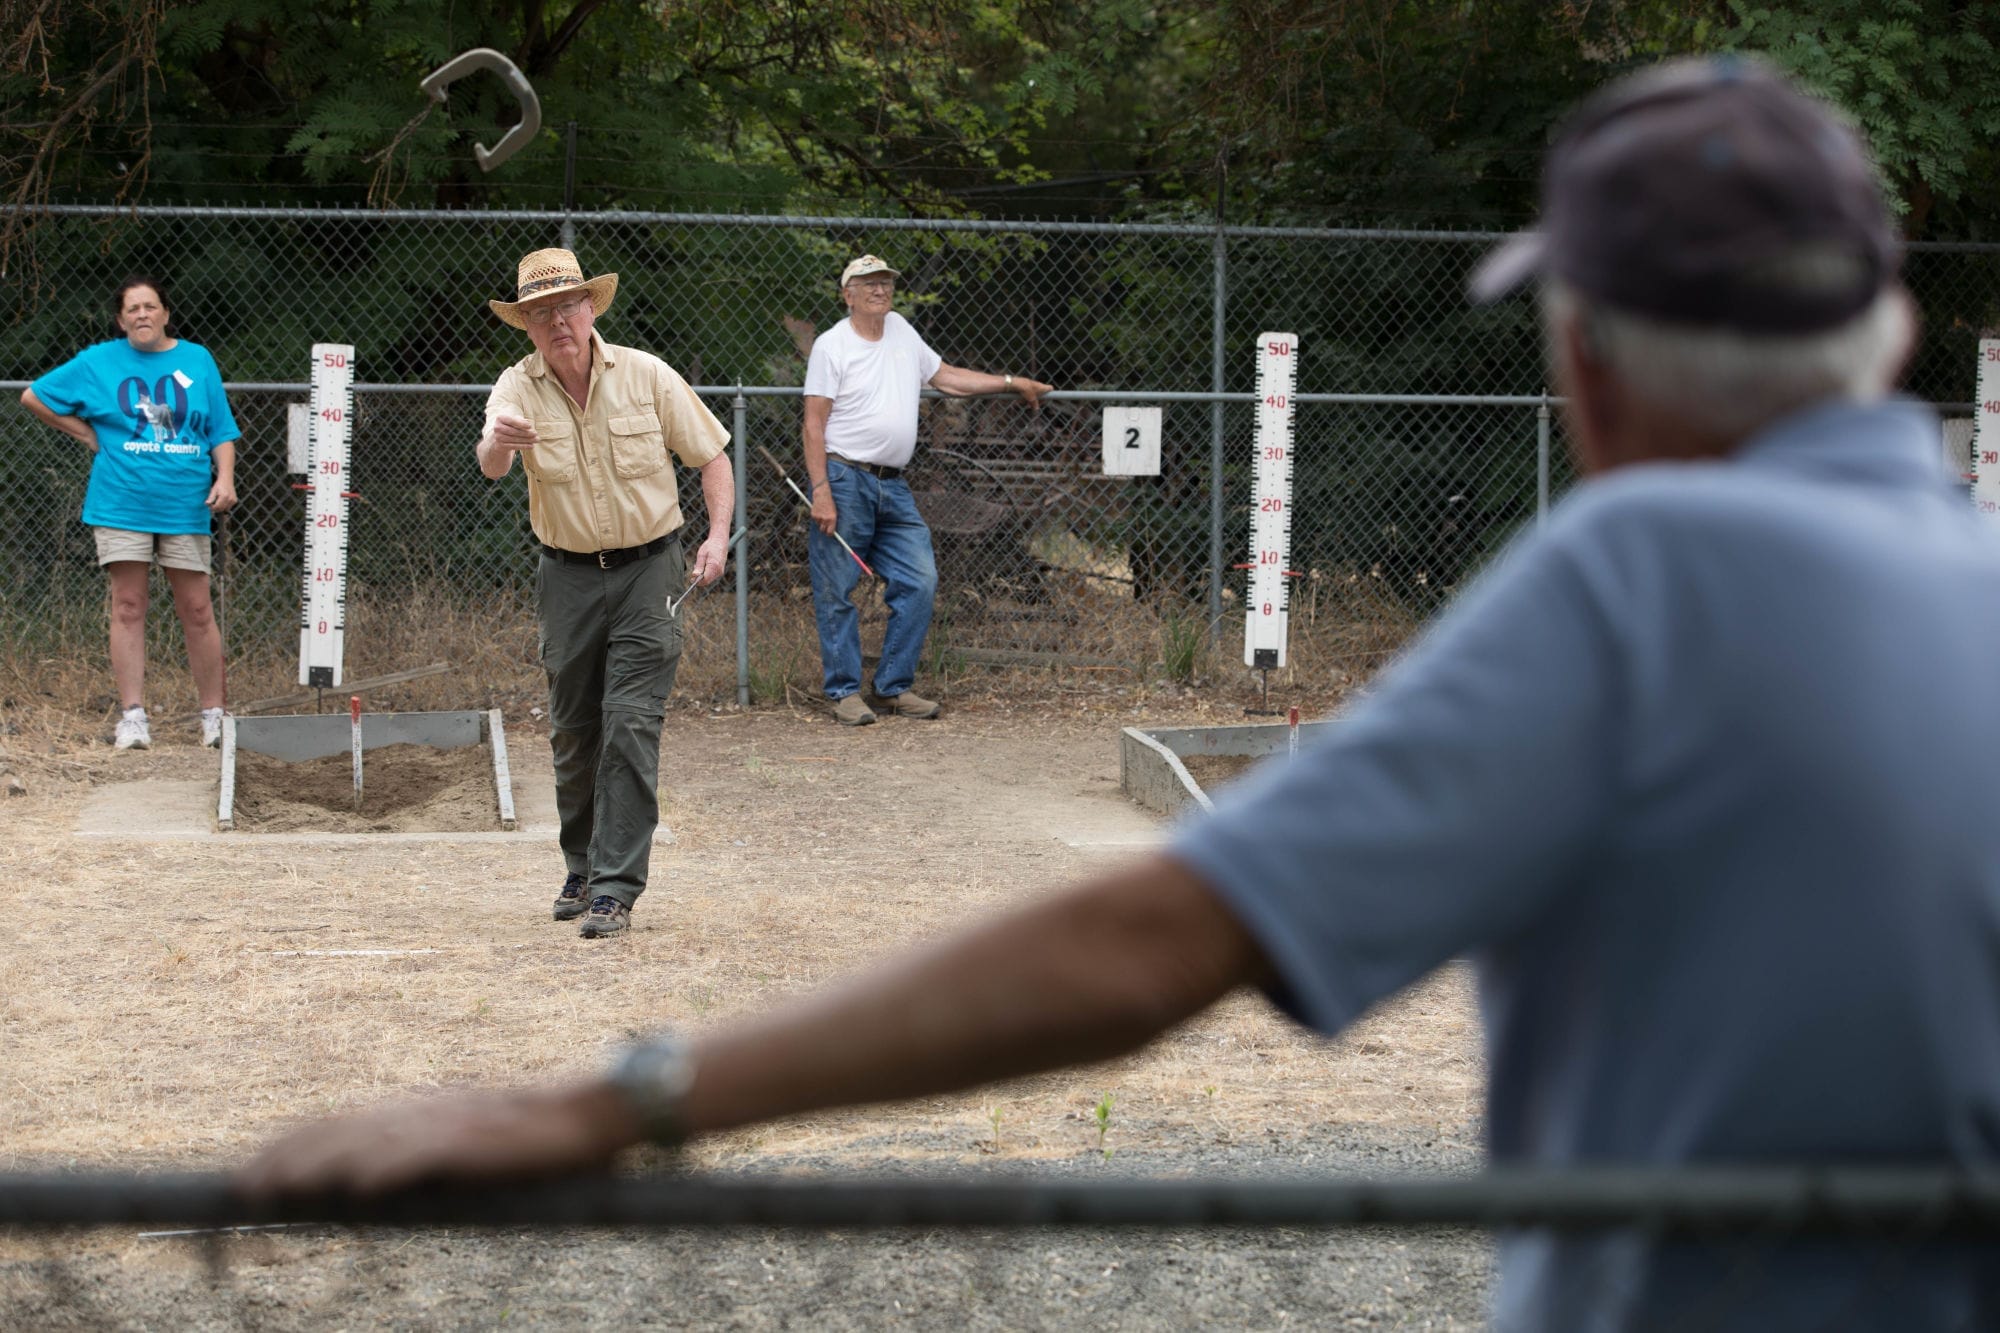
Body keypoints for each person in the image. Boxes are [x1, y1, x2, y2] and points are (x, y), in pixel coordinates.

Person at [241, 62, 2000, 1327]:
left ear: (1588, 361)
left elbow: (1153, 942)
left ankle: (647, 849)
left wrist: (605, 1104)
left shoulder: (1639, 588)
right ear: (1892, 338)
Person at [477, 248, 735, 939]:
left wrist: (716, 537)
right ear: (526, 325)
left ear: (591, 309)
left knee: (629, 721)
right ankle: (582, 865)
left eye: (568, 306)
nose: (557, 321)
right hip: (564, 575)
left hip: (650, 568)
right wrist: (500, 441)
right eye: (540, 313)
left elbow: (711, 455)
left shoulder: (646, 375)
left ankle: (616, 888)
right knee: (574, 729)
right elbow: (491, 462)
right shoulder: (516, 386)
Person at [802, 255, 1052, 726]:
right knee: (838, 586)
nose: (880, 290)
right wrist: (821, 490)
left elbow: (947, 377)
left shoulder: (900, 331)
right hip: (844, 478)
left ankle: (893, 688)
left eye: (886, 282)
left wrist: (1010, 383)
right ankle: (843, 693)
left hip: (893, 485)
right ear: (847, 294)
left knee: (920, 580)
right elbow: (814, 424)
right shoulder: (831, 346)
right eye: (868, 283)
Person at [21, 276, 239, 750]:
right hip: (121, 503)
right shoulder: (98, 361)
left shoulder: (197, 359)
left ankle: (215, 716)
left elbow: (220, 429)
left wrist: (225, 478)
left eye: (150, 306)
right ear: (121, 321)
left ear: (165, 314)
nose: (142, 315)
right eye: (132, 309)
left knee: (198, 609)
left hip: (185, 504)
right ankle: (133, 718)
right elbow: (34, 395)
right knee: (128, 606)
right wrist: (84, 434)